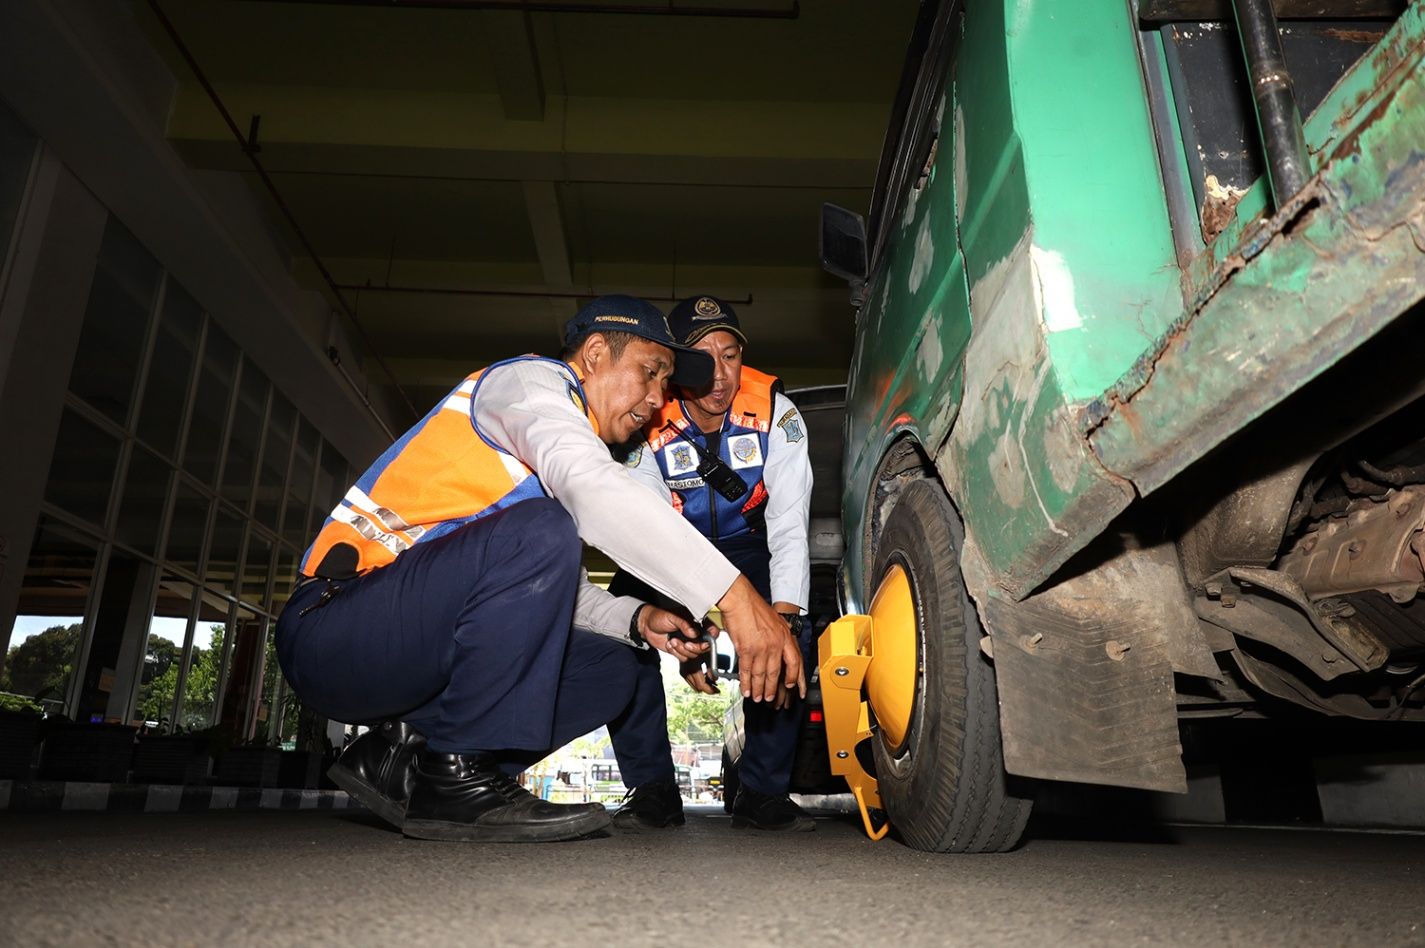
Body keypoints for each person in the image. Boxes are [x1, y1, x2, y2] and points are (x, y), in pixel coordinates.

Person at [274, 295, 804, 844]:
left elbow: (545, 591)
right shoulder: (529, 386)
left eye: (664, 384)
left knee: (613, 670)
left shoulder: (545, 465)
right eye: (649, 374)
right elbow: (588, 492)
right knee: (545, 527)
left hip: (405, 642)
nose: (656, 398)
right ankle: (459, 773)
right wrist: (737, 599)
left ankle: (410, 758)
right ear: (596, 353)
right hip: (332, 626)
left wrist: (638, 617)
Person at [607, 295, 815, 832]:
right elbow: (652, 531)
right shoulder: (645, 417)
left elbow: (789, 526)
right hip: (668, 546)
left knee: (793, 630)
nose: (719, 376)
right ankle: (651, 788)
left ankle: (764, 791)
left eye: (730, 355)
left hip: (749, 543)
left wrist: (782, 622)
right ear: (675, 365)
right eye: (702, 358)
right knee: (618, 622)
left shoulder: (777, 412)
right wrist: (696, 631)